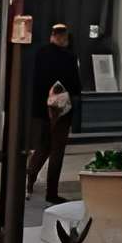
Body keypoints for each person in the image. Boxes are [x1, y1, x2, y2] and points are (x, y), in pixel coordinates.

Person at [27, 21, 82, 204]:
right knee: (57, 151)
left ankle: (29, 179)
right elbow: (75, 86)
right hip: (61, 112)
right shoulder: (69, 57)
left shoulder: (41, 53)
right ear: (65, 37)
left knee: (43, 147)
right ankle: (51, 192)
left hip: (41, 110)